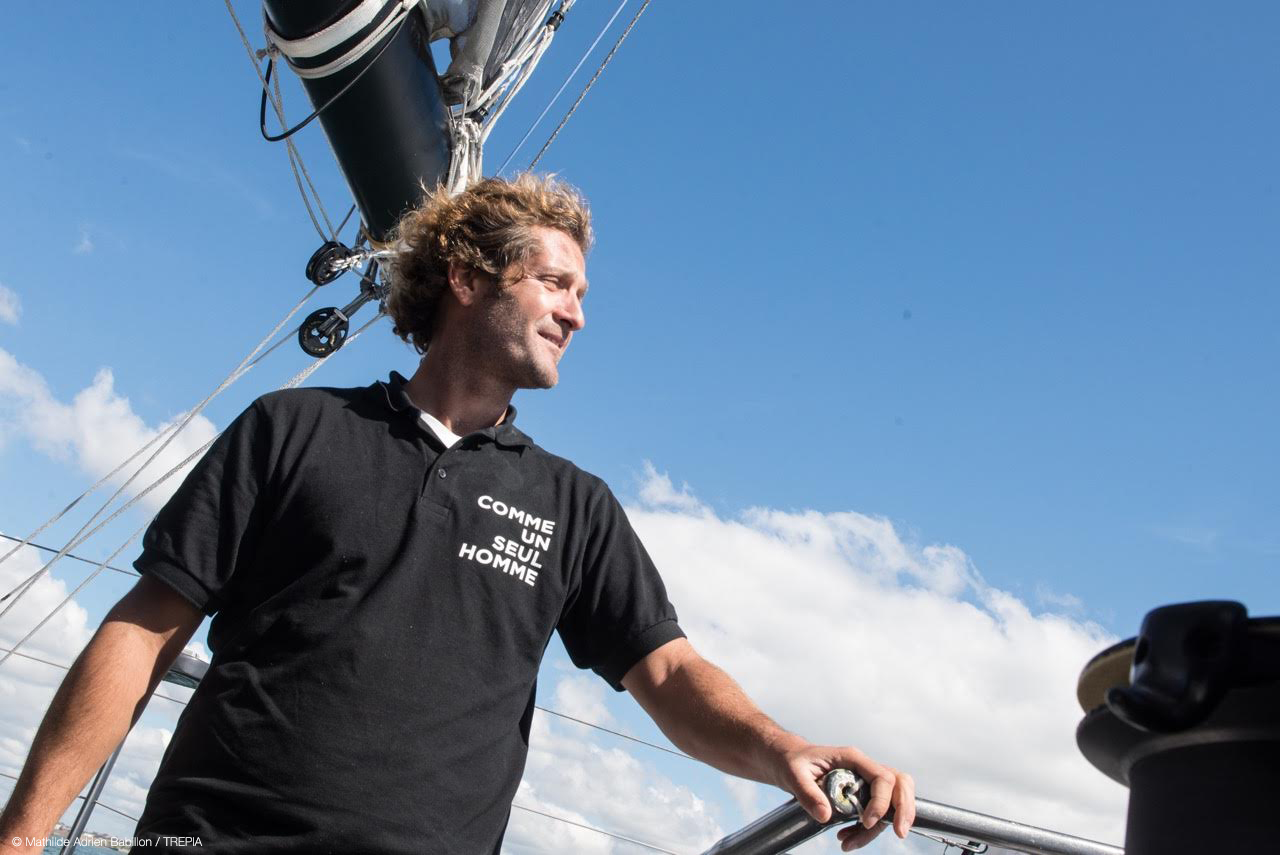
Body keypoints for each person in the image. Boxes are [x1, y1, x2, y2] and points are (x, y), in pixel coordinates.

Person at [0, 175, 914, 854]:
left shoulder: (575, 506)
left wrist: (786, 748)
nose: (577, 315)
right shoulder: (294, 426)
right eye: (556, 283)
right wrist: (22, 836)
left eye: (583, 295)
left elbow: (670, 674)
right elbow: (144, 631)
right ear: (469, 278)